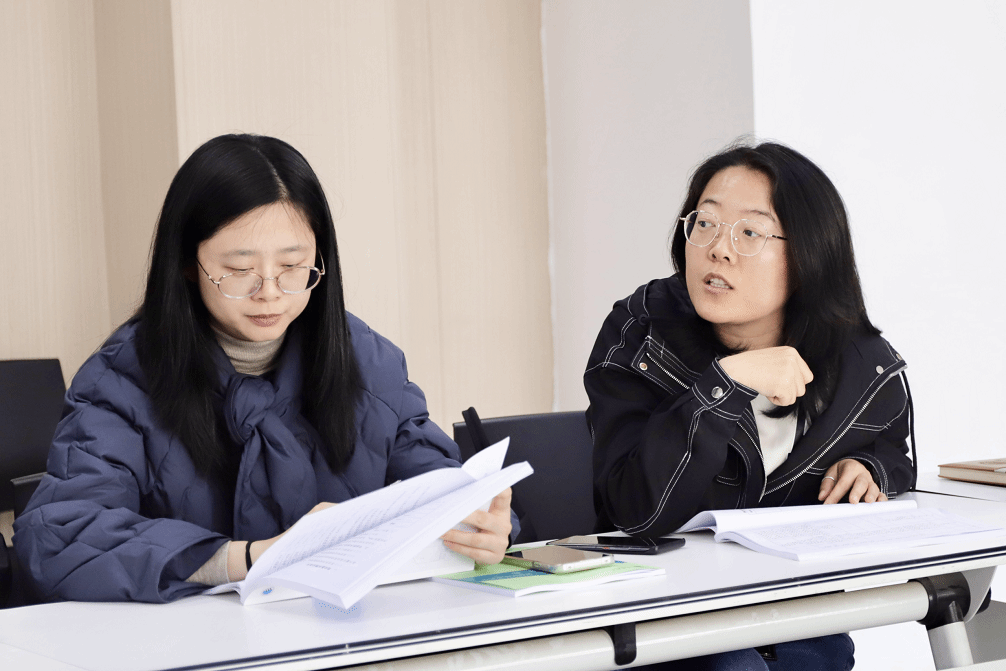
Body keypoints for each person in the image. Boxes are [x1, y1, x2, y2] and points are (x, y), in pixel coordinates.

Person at [13, 134, 513, 603]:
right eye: (239, 270)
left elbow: (439, 487)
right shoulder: (121, 378)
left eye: (293, 266)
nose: (270, 292)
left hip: (344, 635)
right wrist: (248, 559)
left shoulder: (366, 360)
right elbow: (59, 537)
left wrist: (482, 528)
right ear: (188, 263)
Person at [585, 142, 914, 670]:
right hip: (670, 624)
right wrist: (724, 387)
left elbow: (895, 454)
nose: (718, 249)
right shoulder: (641, 333)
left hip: (798, 623)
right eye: (705, 223)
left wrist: (870, 469)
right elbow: (636, 512)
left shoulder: (860, 359)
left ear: (808, 255)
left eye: (750, 233)